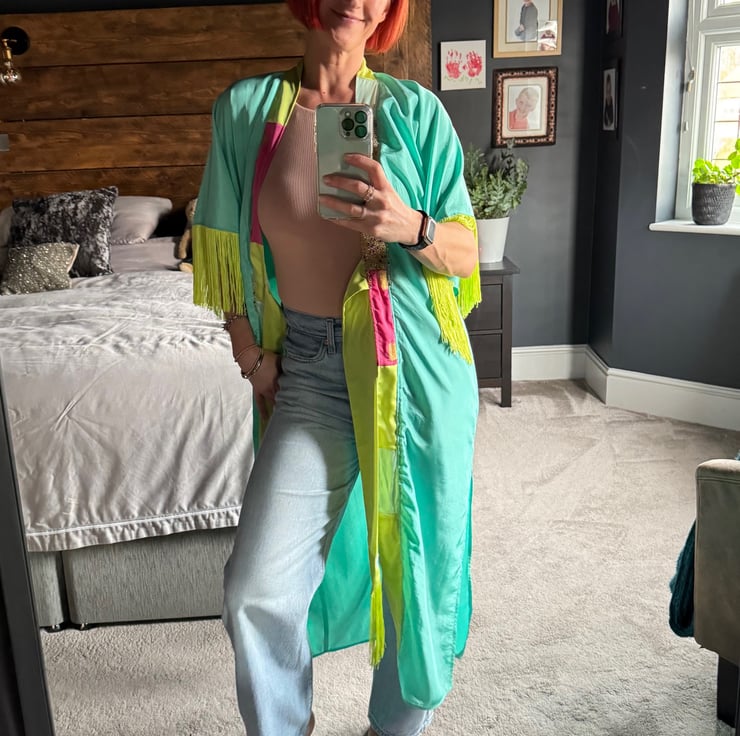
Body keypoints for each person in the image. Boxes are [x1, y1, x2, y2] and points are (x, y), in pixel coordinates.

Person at [191, 1, 481, 735]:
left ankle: (394, 729)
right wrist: (249, 353)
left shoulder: (415, 113)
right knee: (255, 590)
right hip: (311, 372)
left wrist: (409, 226)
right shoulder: (247, 112)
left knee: (416, 579)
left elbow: (465, 253)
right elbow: (219, 245)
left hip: (410, 369)